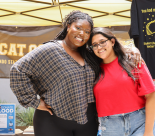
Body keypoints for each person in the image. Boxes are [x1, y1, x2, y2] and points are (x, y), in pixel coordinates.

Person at [10, 11, 142, 136]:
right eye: (78, 28)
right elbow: (17, 71)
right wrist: (34, 102)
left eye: (87, 32)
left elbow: (110, 51)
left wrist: (131, 49)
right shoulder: (50, 50)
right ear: (68, 27)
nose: (82, 34)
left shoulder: (90, 55)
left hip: (88, 123)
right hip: (53, 122)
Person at [88, 27, 155, 136]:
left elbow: (151, 95)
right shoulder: (91, 69)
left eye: (102, 42)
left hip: (139, 122)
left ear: (112, 41)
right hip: (110, 125)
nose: (99, 47)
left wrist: (148, 132)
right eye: (95, 45)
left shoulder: (133, 60)